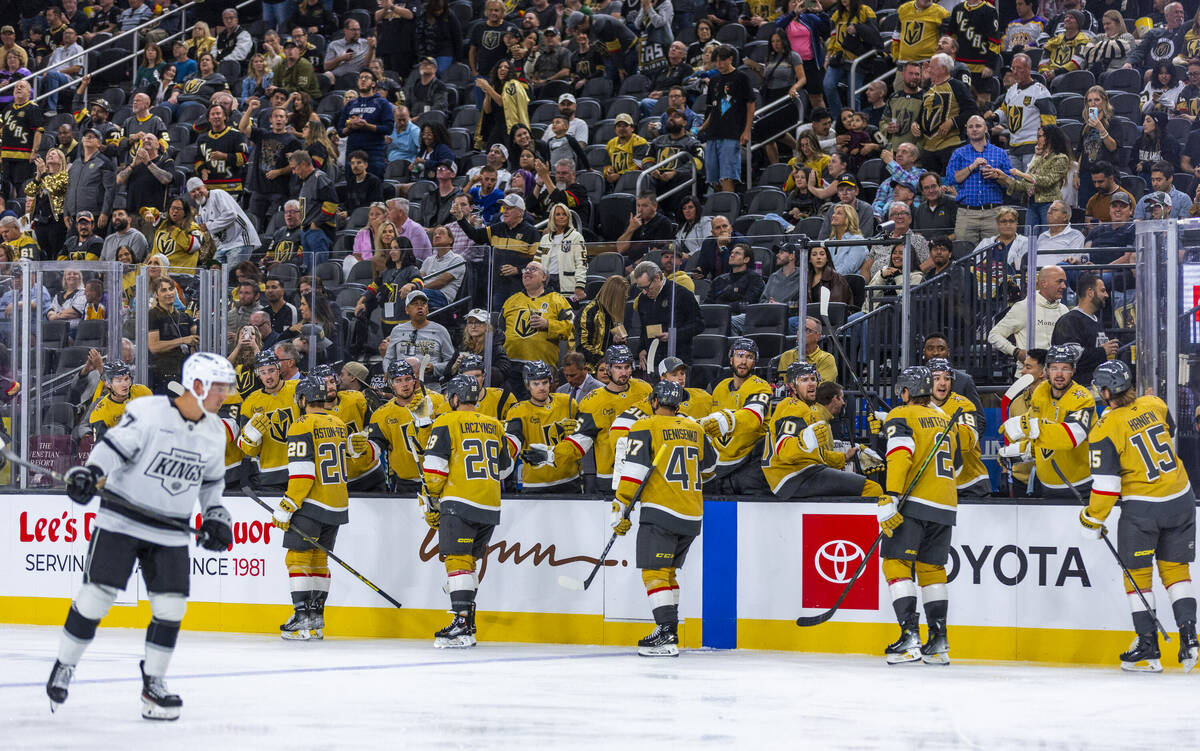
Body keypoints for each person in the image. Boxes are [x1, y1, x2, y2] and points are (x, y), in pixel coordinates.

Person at [47, 353, 235, 720]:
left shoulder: (214, 432)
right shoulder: (150, 412)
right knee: (96, 599)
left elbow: (212, 486)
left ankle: (154, 684)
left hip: (170, 530)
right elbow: (110, 449)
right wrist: (91, 474)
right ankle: (65, 665)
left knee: (171, 607)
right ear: (197, 386)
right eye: (219, 387)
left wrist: (216, 517)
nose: (224, 395)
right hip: (121, 521)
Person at [1080, 360, 1198, 673]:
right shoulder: (1154, 403)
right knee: (1176, 571)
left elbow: (1106, 487)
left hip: (1143, 508)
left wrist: (1092, 520)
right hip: (1181, 497)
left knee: (1138, 576)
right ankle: (1189, 638)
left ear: (1106, 391)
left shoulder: (1104, 428)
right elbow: (1168, 431)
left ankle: (1148, 646)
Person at [607, 379, 716, 657]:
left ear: (654, 401)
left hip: (661, 511)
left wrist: (621, 506)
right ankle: (670, 631)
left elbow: (632, 472)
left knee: (655, 573)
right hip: (692, 513)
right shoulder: (695, 427)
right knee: (668, 573)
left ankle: (666, 635)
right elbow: (712, 467)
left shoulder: (645, 426)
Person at [876, 365, 965, 664]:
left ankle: (909, 639)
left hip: (914, 502)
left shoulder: (901, 414)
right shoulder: (945, 418)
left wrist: (891, 495)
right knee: (931, 570)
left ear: (904, 391)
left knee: (896, 564)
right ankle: (938, 641)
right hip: (945, 502)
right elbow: (959, 464)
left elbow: (900, 454)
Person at [421, 373, 514, 648]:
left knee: (457, 560)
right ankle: (468, 622)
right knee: (468, 563)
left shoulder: (446, 421)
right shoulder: (494, 425)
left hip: (460, 500)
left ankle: (461, 623)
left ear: (454, 397)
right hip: (490, 503)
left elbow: (435, 467)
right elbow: (505, 468)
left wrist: (433, 499)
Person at [270, 376, 365, 640]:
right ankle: (316, 617)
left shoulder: (301, 424)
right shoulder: (337, 423)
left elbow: (303, 474)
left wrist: (288, 505)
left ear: (302, 399)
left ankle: (302, 617)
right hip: (336, 503)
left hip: (311, 503)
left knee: (297, 559)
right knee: (318, 560)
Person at [763, 361, 885, 500]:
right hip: (794, 477)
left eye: (813, 379)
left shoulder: (800, 407)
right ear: (792, 386)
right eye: (804, 380)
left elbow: (814, 455)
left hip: (796, 474)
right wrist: (804, 442)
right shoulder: (795, 408)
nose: (811, 383)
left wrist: (844, 457)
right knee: (872, 488)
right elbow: (783, 449)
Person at [999, 344, 1095, 497]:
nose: (1059, 374)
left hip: (1078, 486)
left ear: (1073, 371)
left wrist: (1028, 425)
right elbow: (1040, 439)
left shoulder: (1082, 398)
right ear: (1046, 371)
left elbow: (1070, 437)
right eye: (1054, 368)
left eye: (1065, 368)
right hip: (1045, 485)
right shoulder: (1041, 392)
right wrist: (1022, 451)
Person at [563, 345, 654, 490]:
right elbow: (580, 441)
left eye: (627, 367)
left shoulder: (645, 390)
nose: (624, 372)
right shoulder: (592, 401)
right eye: (618, 367)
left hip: (643, 471)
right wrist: (552, 455)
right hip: (609, 476)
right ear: (608, 369)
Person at [366, 360, 448, 493]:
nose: (404, 384)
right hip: (405, 483)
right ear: (391, 384)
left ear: (414, 380)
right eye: (398, 380)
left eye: (408, 379)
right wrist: (361, 448)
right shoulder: (382, 414)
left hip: (437, 477)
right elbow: (376, 448)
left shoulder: (436, 401)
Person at [503, 361, 583, 493]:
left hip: (569, 479)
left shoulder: (567, 403)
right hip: (535, 483)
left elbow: (583, 435)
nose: (541, 387)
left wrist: (577, 429)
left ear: (550, 382)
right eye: (536, 383)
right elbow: (513, 442)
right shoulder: (518, 411)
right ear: (527, 385)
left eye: (544, 382)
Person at [500, 261, 573, 390]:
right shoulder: (511, 300)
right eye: (525, 269)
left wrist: (548, 324)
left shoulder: (557, 300)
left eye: (533, 269)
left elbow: (571, 328)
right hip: (512, 366)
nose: (527, 272)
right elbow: (500, 330)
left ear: (544, 277)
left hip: (543, 368)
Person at [237, 351, 301, 490]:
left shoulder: (298, 388)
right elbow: (247, 449)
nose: (268, 376)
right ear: (258, 374)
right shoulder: (250, 402)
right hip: (270, 475)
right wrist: (251, 437)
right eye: (263, 372)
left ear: (279, 369)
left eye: (271, 370)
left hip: (300, 469)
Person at [927, 358, 990, 496]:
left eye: (947, 378)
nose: (942, 383)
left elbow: (967, 441)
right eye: (936, 378)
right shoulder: (920, 406)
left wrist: (937, 420)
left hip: (970, 485)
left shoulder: (963, 404)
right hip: (939, 485)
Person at [987, 266, 1068, 370]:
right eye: (1059, 281)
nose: (1064, 286)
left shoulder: (1064, 310)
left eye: (1064, 282)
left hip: (1055, 378)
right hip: (1028, 378)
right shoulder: (1024, 307)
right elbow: (994, 335)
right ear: (1044, 283)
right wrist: (1016, 352)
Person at [697, 45, 755, 192]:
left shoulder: (741, 78)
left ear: (730, 59)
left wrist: (746, 131)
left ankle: (729, 211)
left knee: (727, 176)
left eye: (722, 60)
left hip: (732, 133)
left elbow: (750, 104)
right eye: (716, 61)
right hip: (713, 133)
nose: (719, 64)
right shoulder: (714, 80)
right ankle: (719, 209)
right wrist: (701, 127)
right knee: (713, 177)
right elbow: (713, 109)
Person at [947, 115, 1012, 245]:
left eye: (978, 126)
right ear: (967, 131)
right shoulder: (958, 153)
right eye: (970, 127)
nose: (974, 129)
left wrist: (996, 176)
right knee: (963, 255)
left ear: (986, 129)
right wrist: (972, 166)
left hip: (993, 213)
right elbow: (952, 178)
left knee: (995, 256)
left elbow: (1011, 183)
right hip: (966, 213)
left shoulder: (1000, 153)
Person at [630, 260, 704, 373]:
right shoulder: (643, 299)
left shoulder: (681, 294)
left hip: (678, 359)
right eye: (641, 288)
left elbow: (699, 325)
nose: (644, 292)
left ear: (658, 277)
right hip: (652, 362)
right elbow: (644, 328)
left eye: (647, 287)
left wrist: (672, 335)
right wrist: (642, 349)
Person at [1051, 272, 1117, 388]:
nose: (1106, 295)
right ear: (1090, 292)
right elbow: (1070, 356)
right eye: (1102, 290)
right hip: (1078, 391)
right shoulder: (1070, 320)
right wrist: (1102, 351)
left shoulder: (1096, 320)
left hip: (1098, 389)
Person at [915, 54, 978, 174]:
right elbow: (924, 113)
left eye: (932, 67)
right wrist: (916, 124)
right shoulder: (929, 89)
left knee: (949, 186)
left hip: (950, 146)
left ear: (943, 69)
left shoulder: (957, 85)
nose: (929, 70)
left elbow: (972, 110)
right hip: (928, 148)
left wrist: (952, 122)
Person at [382, 290, 456, 379]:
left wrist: (434, 368)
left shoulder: (440, 331)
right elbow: (389, 358)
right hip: (404, 386)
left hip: (431, 386)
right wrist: (388, 373)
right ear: (407, 309)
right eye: (415, 304)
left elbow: (451, 362)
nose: (420, 307)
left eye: (423, 304)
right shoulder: (397, 330)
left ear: (427, 309)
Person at [187, 177, 259, 267]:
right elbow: (214, 233)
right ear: (190, 195)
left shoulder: (217, 194)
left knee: (232, 276)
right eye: (193, 191)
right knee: (214, 274)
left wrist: (207, 226)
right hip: (223, 246)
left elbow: (231, 215)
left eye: (198, 189)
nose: (197, 193)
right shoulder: (201, 210)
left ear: (205, 187)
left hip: (240, 240)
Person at [85, 360, 154, 440]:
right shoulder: (100, 414)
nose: (124, 384)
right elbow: (103, 447)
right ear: (107, 383)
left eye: (126, 379)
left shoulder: (142, 391)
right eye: (119, 380)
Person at [709, 244, 766, 335]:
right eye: (731, 253)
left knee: (726, 322)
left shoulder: (754, 278)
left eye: (737, 253)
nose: (732, 255)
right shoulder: (719, 280)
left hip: (740, 315)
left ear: (746, 259)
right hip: (718, 314)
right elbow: (709, 301)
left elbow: (749, 303)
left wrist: (723, 308)